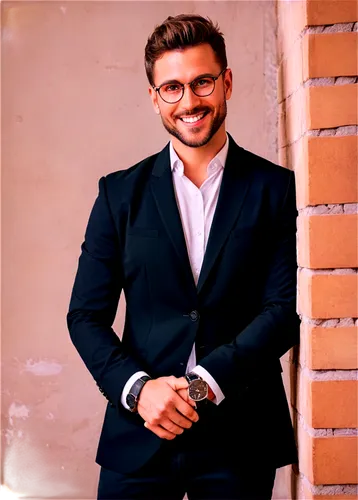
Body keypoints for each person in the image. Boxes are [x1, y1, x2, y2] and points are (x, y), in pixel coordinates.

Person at [67, 13, 300, 500]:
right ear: (155, 99)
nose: (189, 101)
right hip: (140, 431)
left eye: (202, 83)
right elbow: (85, 316)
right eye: (171, 88)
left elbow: (281, 312)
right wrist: (138, 389)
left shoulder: (274, 189)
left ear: (227, 82)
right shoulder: (118, 196)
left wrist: (200, 386)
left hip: (241, 434)